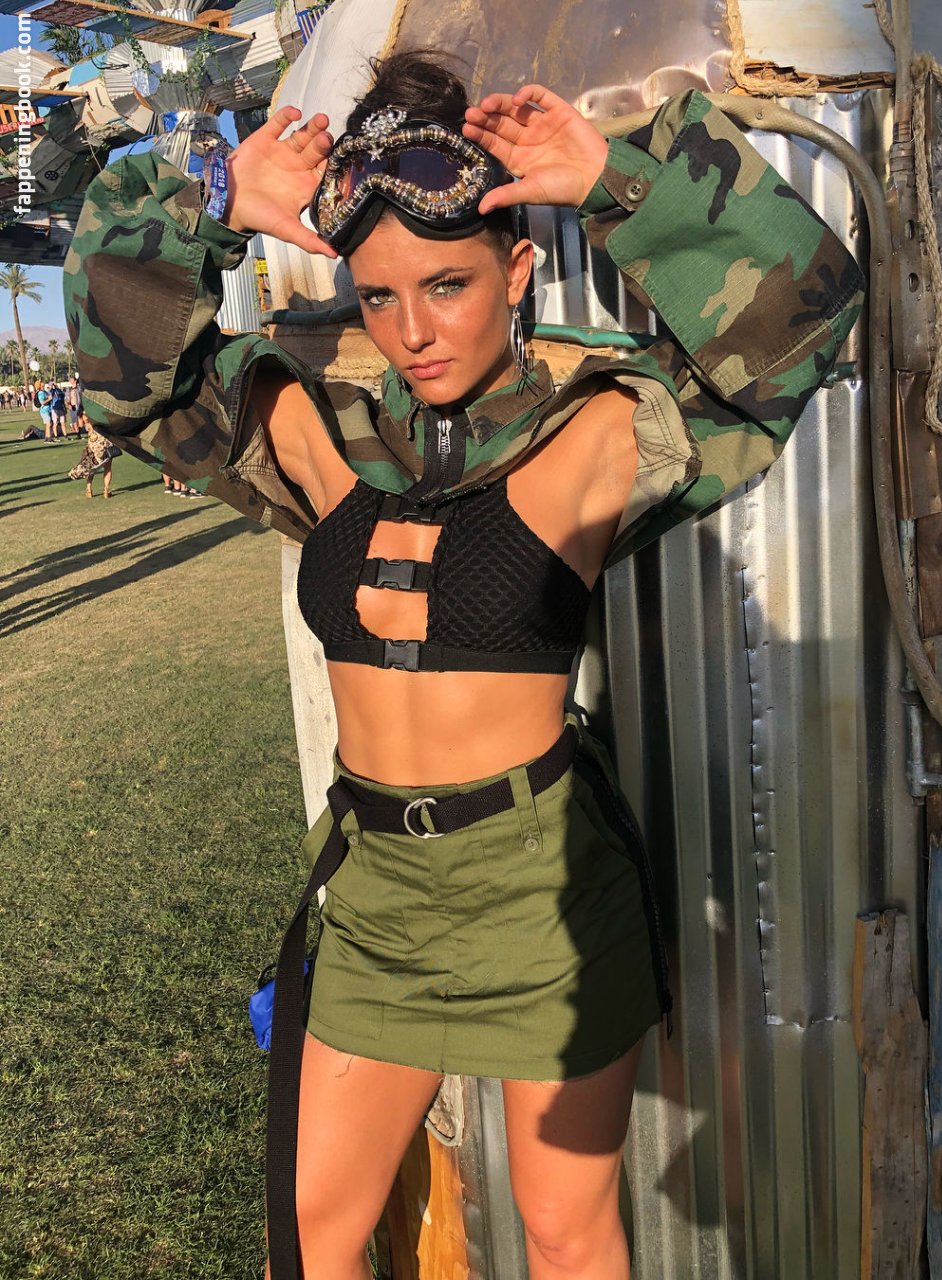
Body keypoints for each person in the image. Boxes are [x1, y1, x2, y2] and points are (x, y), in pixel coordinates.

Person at [65, 51, 862, 1280]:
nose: (413, 330)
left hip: (542, 891)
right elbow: (127, 387)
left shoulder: (594, 428)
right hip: (376, 892)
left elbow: (802, 317)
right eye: (380, 295)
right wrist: (211, 200)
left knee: (565, 1233)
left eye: (447, 283)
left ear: (517, 270)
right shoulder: (318, 428)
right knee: (311, 1236)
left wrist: (618, 176)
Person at [67, 409, 117, 497]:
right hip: (104, 441)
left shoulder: (85, 415)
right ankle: (106, 490)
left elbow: (81, 425)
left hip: (93, 444)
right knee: (108, 467)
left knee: (91, 468)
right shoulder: (98, 413)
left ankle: (89, 489)